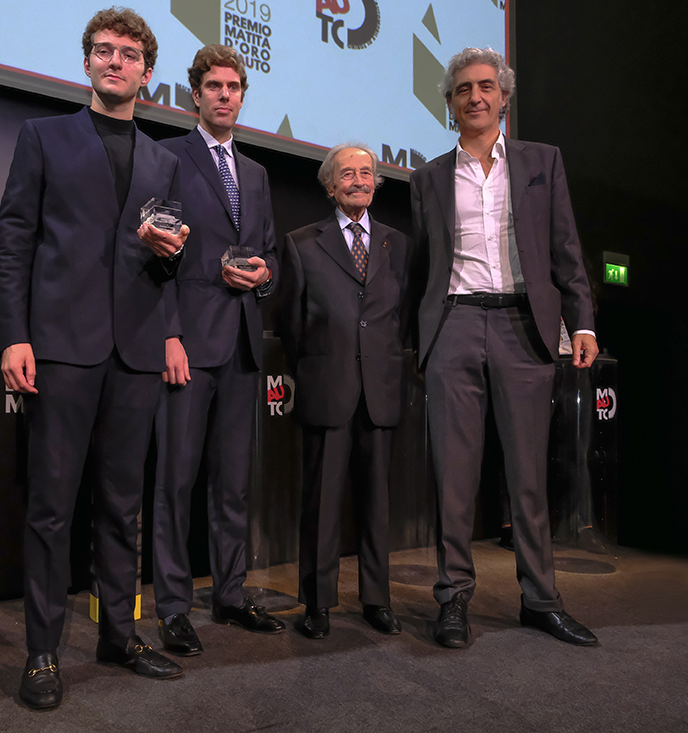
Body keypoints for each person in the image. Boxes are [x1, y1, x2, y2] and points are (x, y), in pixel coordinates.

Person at [0, 7, 190, 710]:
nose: (116, 61)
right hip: (62, 347)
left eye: (129, 54)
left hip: (134, 350)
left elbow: (162, 263)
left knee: (122, 505)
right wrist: (13, 334)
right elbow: (14, 241)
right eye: (104, 51)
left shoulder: (165, 160)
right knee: (51, 507)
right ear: (87, 64)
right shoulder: (42, 137)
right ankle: (43, 650)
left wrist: (172, 260)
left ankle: (119, 633)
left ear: (145, 71)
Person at [409, 47, 599, 649]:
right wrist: (423, 341)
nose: (475, 97)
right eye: (463, 89)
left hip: (524, 326)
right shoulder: (428, 177)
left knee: (528, 477)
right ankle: (453, 599)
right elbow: (422, 270)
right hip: (456, 325)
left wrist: (583, 322)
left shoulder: (543, 162)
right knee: (454, 475)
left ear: (504, 97)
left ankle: (540, 600)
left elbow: (567, 249)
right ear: (450, 103)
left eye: (486, 86)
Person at [152, 44, 284, 656]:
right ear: (196, 94)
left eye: (234, 86)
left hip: (241, 344)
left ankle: (230, 594)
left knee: (232, 484)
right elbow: (158, 256)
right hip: (189, 343)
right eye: (214, 86)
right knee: (176, 482)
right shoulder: (168, 158)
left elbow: (271, 255)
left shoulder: (255, 174)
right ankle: (174, 607)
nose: (225, 95)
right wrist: (170, 333)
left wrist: (263, 276)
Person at [278, 143, 409, 639]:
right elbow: (290, 321)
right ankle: (318, 602)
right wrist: (315, 368)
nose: (358, 180)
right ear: (330, 186)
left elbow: (401, 317)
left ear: (376, 182)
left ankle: (377, 599)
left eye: (367, 172)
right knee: (322, 503)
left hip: (380, 389)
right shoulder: (302, 242)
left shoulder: (398, 244)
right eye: (347, 174)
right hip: (326, 388)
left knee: (377, 504)